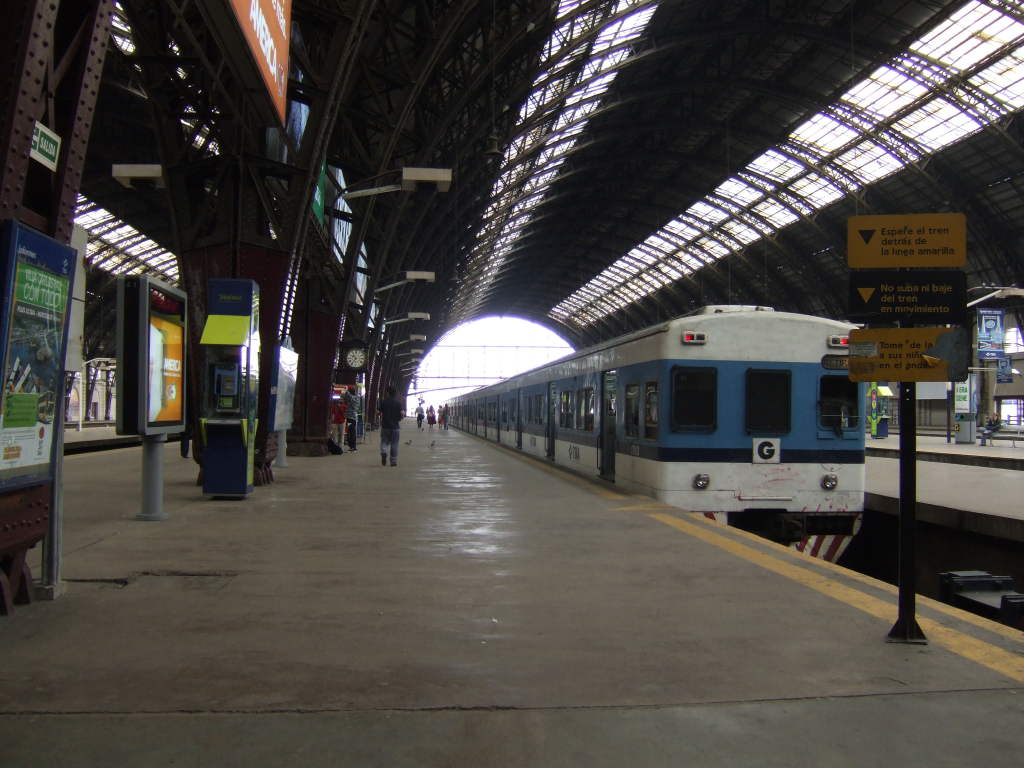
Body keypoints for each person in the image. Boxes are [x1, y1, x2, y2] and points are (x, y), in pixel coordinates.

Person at [378, 386, 404, 466]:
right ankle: (393, 461)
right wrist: (399, 419)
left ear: (388, 393)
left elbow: (378, 412)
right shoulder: (398, 403)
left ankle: (384, 452)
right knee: (394, 444)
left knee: (384, 441)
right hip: (395, 427)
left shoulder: (384, 402)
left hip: (385, 426)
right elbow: (402, 414)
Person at [344, 385, 359, 452]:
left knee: (350, 432)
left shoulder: (351, 398)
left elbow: (347, 395)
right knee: (352, 432)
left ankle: (352, 447)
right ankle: (353, 447)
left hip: (350, 418)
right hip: (354, 418)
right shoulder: (357, 398)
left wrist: (346, 388)